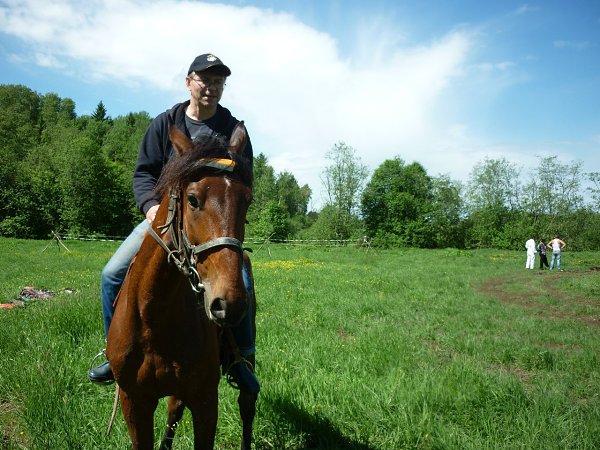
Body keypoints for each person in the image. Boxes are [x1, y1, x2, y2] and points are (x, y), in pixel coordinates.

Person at [87, 54, 259, 394]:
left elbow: (243, 181)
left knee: (241, 282)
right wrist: (150, 207)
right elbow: (143, 174)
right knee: (111, 275)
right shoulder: (165, 124)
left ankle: (241, 359)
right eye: (204, 80)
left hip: (213, 226)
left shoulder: (233, 130)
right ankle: (114, 354)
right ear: (188, 82)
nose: (211, 87)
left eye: (218, 82)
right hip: (164, 219)